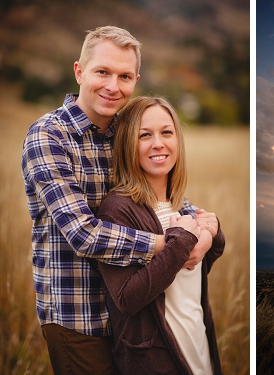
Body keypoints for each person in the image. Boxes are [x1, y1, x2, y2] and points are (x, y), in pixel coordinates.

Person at [20, 26, 213, 374]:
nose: (113, 86)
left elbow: (158, 195)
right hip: (78, 316)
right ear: (79, 71)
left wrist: (206, 227)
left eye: (124, 76)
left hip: (132, 316)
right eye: (102, 72)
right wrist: (174, 243)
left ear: (135, 80)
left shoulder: (124, 131)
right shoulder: (49, 135)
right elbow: (83, 234)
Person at [96, 96, 224, 374]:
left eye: (167, 132)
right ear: (129, 144)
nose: (158, 143)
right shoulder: (117, 209)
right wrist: (180, 241)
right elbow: (127, 299)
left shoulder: (178, 205)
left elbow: (191, 273)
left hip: (198, 344)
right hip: (156, 360)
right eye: (145, 135)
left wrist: (213, 234)